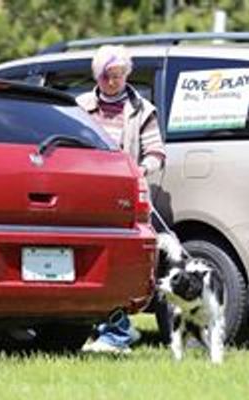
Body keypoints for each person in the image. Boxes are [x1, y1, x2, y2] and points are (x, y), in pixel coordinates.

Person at [77, 44, 166, 354]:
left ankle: (117, 333)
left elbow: (157, 153)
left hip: (122, 196)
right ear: (97, 76)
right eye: (106, 76)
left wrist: (140, 170)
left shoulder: (142, 109)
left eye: (117, 76)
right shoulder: (81, 107)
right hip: (85, 195)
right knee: (86, 263)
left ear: (126, 74)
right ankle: (105, 329)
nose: (112, 82)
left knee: (114, 263)